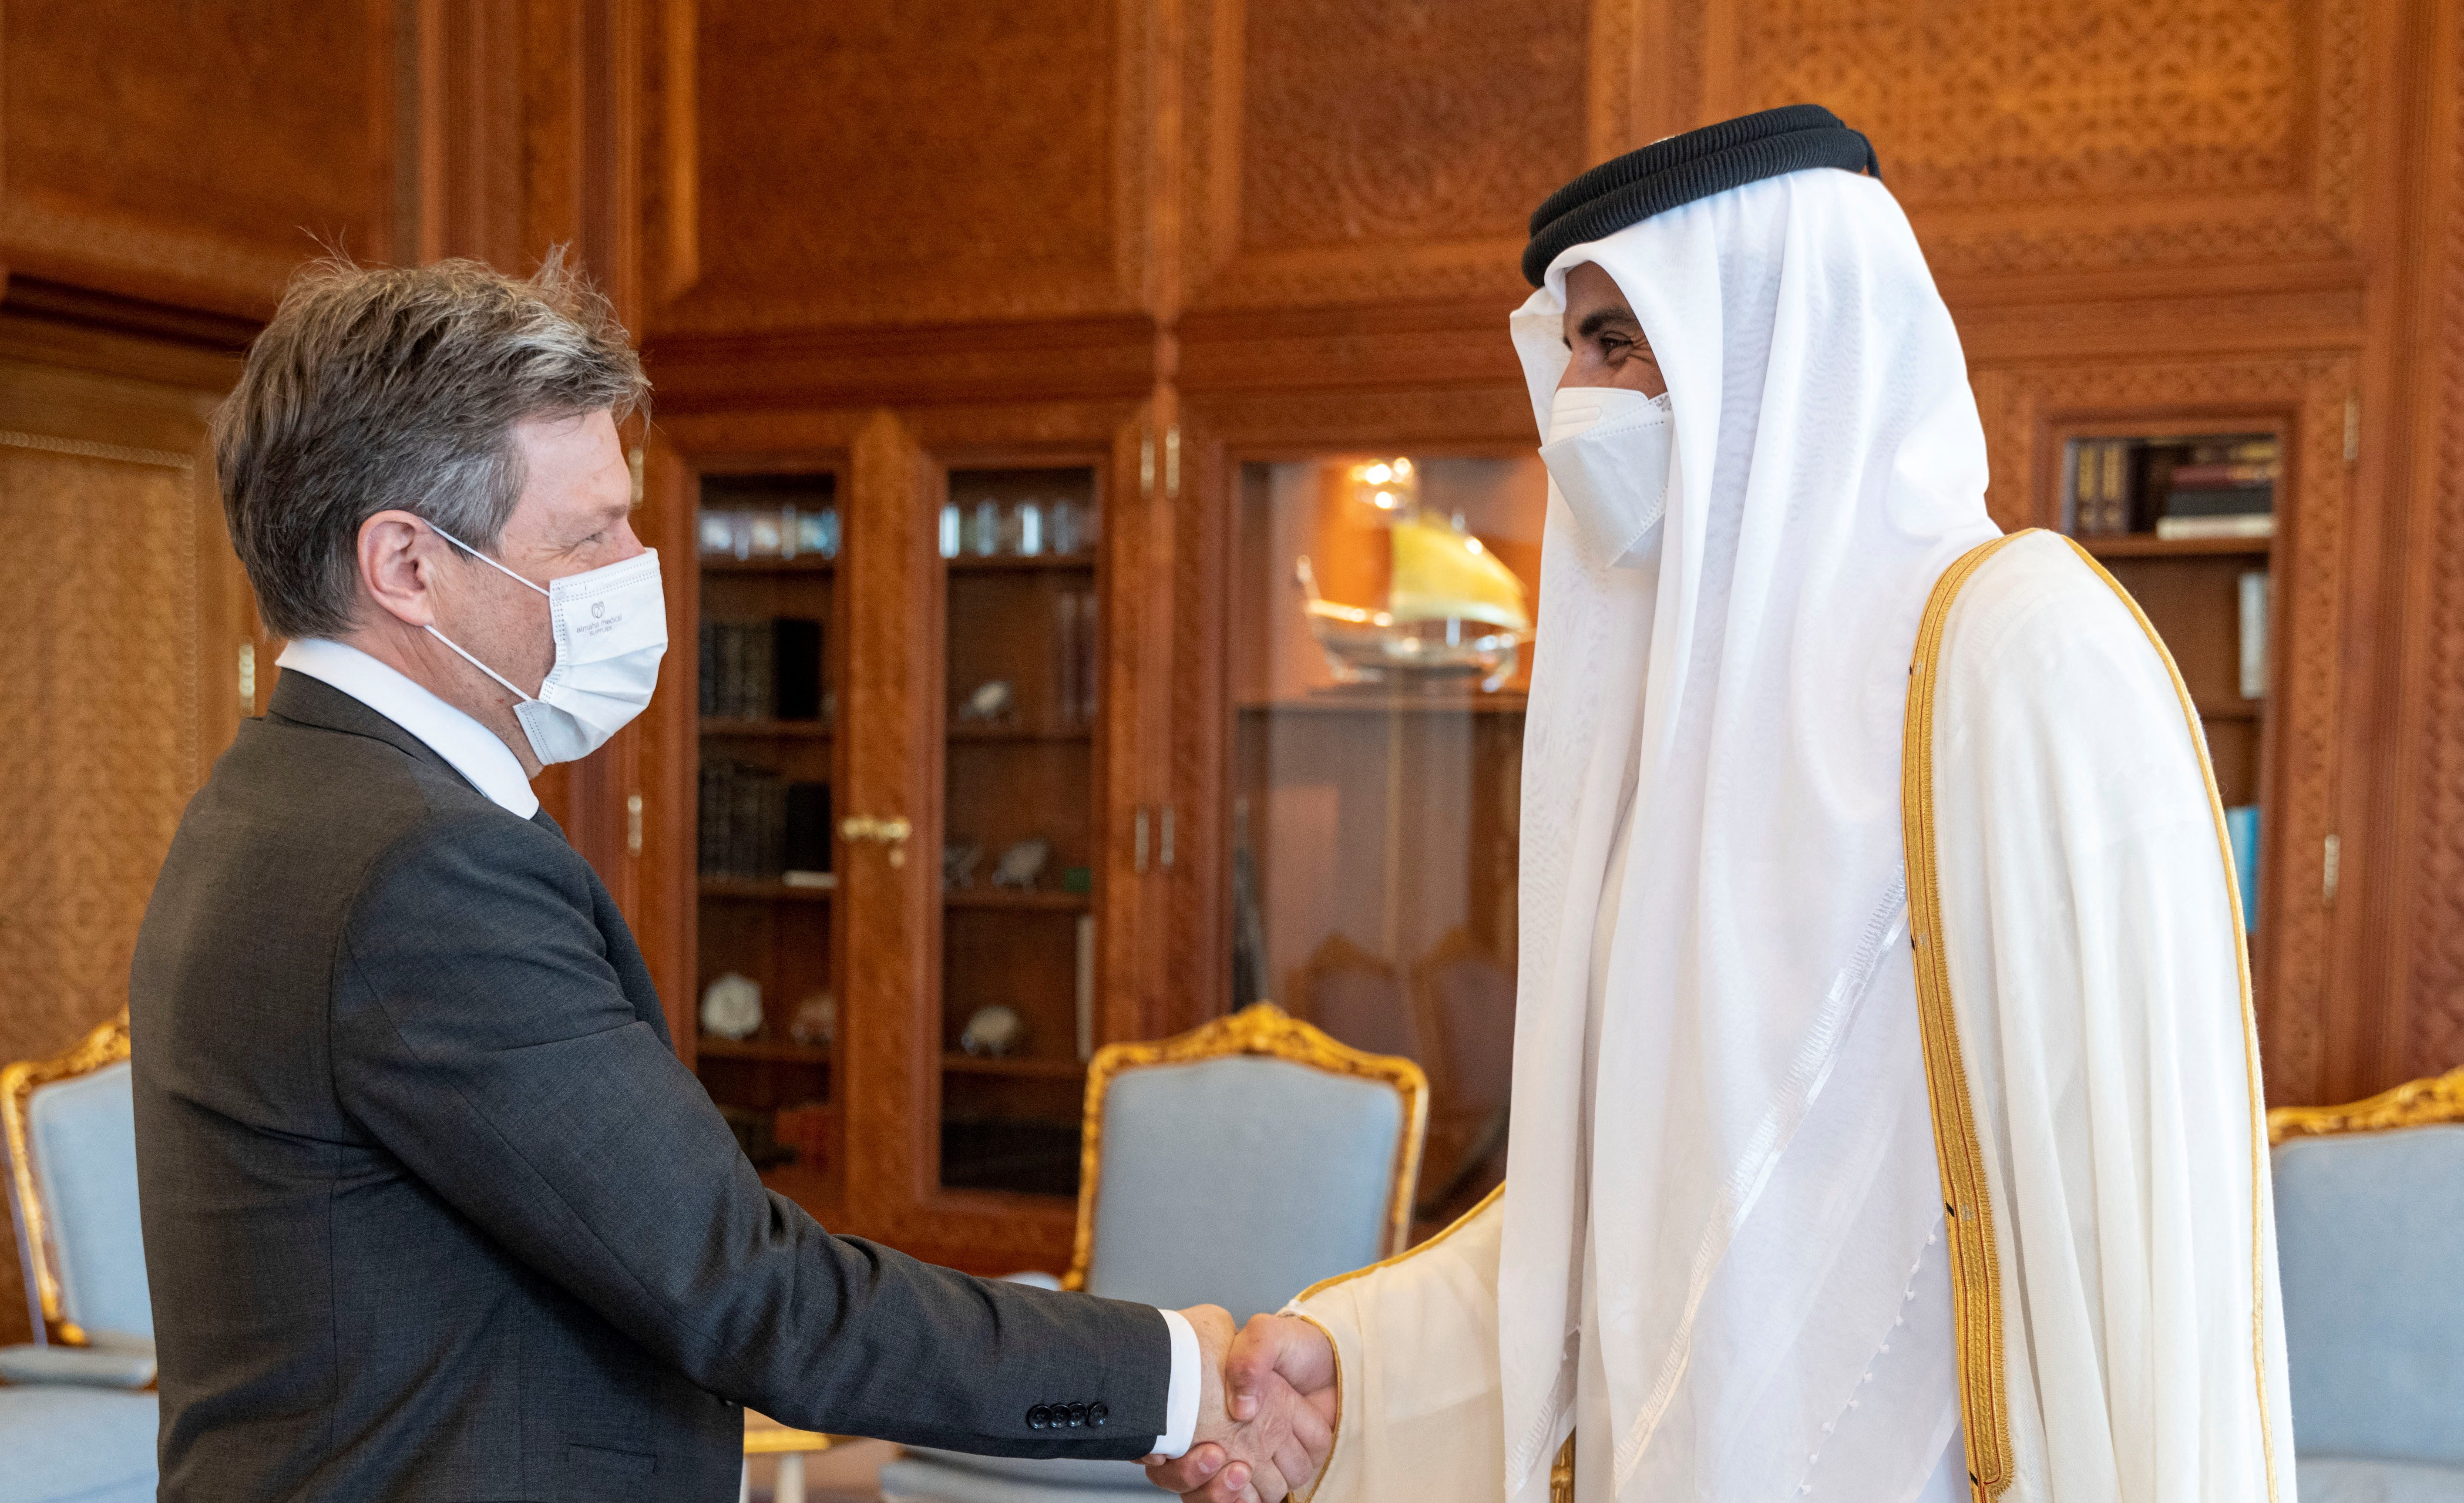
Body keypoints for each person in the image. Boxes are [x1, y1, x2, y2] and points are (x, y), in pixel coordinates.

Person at [1150, 104, 2294, 1503]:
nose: (1574, 399)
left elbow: (2146, 1230)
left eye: (1620, 343)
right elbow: (1657, 1217)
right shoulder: (1678, 741)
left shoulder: (2020, 653)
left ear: (1776, 350)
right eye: (1571, 345)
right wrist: (1362, 1370)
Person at [127, 254, 1328, 1501]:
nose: (640, 561)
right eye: (591, 531)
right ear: (408, 567)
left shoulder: (277, 799)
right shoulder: (422, 868)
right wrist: (1177, 1379)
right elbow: (749, 1292)